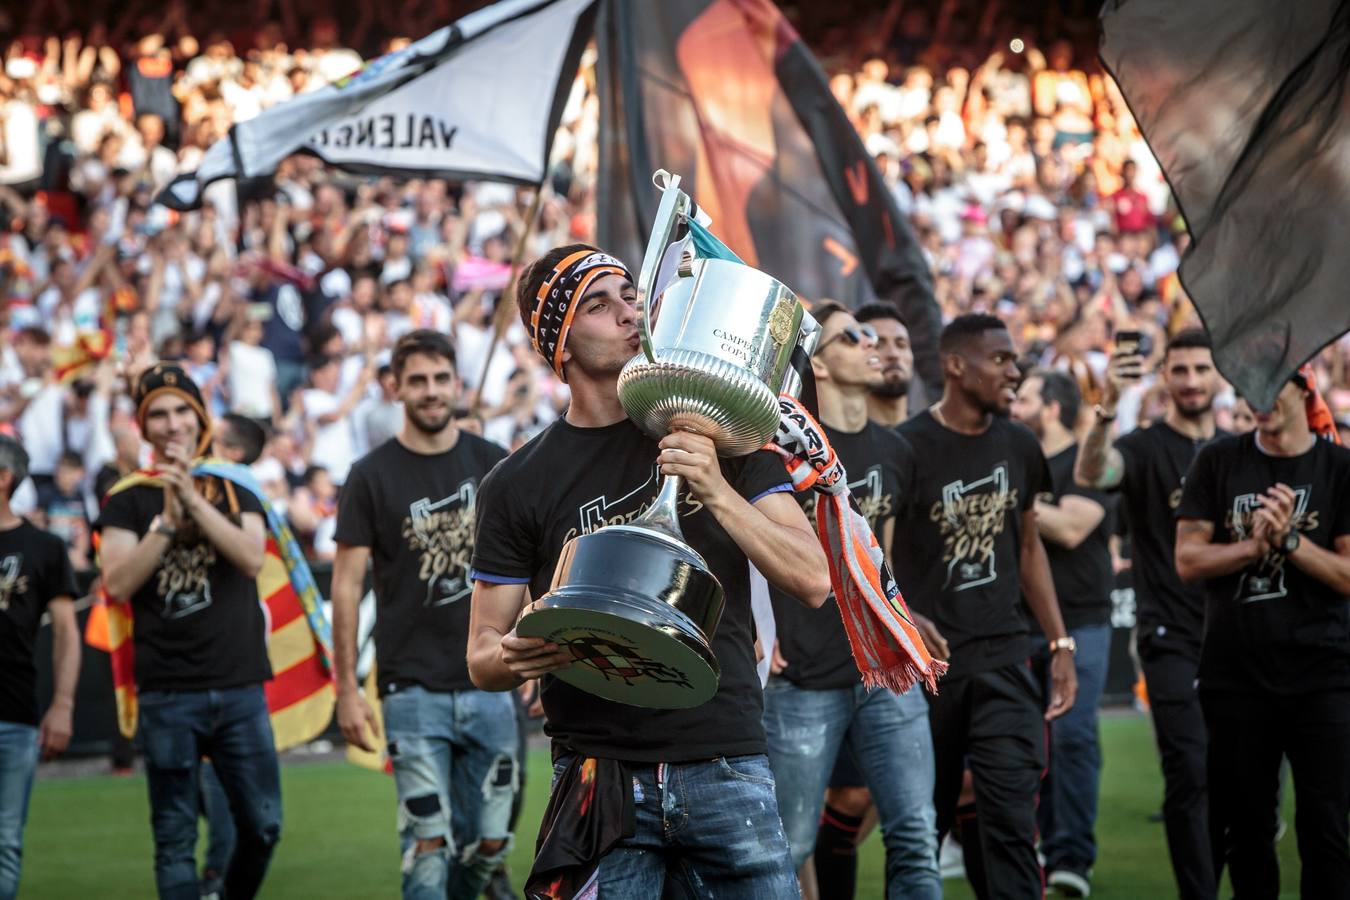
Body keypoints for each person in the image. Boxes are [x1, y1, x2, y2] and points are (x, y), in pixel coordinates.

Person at [467, 243, 830, 896]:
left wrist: (715, 488)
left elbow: (811, 578)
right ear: (561, 345)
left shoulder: (715, 425)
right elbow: (483, 656)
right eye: (599, 306)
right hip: (596, 775)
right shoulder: (515, 483)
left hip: (723, 759)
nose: (629, 313)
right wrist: (528, 646)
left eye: (631, 296)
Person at [892, 313, 1078, 898]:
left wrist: (1060, 641)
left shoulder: (1020, 444)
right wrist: (906, 618)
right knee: (923, 829)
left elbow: (1027, 549)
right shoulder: (907, 447)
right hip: (930, 671)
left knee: (1011, 825)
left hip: (1004, 659)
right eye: (999, 359)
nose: (1014, 371)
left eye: (1013, 360)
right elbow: (878, 557)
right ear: (955, 366)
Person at [764, 302, 941, 899]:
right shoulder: (782, 446)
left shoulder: (895, 451)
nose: (873, 345)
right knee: (787, 846)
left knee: (916, 835)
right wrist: (762, 625)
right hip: (804, 678)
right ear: (818, 360)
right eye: (853, 337)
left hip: (884, 673)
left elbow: (879, 557)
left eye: (874, 336)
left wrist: (904, 618)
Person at [332, 330, 517, 900]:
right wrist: (345, 688)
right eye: (417, 380)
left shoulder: (493, 463)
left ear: (457, 384)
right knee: (427, 844)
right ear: (394, 388)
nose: (432, 391)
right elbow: (345, 587)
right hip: (410, 688)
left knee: (492, 843)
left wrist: (530, 654)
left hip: (489, 682)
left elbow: (528, 569)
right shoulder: (370, 475)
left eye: (441, 378)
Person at [95, 364, 281, 900]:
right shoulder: (127, 497)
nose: (172, 423)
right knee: (175, 840)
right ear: (143, 424)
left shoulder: (233, 484)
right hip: (168, 691)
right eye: (158, 414)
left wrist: (194, 499)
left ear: (199, 417)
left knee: (263, 827)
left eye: (182, 411)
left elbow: (250, 558)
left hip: (240, 684)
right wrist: (167, 521)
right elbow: (118, 583)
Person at [1175, 370, 1350, 899]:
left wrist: (1290, 541)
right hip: (1236, 677)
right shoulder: (1217, 460)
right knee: (1246, 832)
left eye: (1273, 385)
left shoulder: (1339, 466)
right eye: (1250, 386)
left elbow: (1347, 574)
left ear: (1304, 390)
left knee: (1327, 829)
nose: (1260, 399)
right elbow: (1187, 559)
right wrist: (1252, 548)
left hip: (1324, 673)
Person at [1074, 328, 1226, 900]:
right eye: (1180, 370)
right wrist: (1108, 403)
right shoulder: (1142, 445)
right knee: (1190, 771)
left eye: (1201, 369)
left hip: (1238, 640)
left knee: (1235, 781)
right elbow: (1093, 474)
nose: (1190, 381)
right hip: (1169, 636)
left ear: (1219, 376)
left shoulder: (1237, 449)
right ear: (1165, 378)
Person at [1012, 369, 1115, 897]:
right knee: (1030, 746)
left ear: (1051, 408)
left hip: (1083, 622)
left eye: (1024, 396)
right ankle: (1040, 849)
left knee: (1072, 737)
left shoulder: (1086, 464)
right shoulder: (1017, 461)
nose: (1013, 402)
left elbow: (1073, 528)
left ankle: (1072, 857)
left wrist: (1015, 499)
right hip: (1019, 624)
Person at [0, 435, 80, 900]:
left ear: (5, 479)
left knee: (5, 842)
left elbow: (67, 632)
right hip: (15, 717)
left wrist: (64, 705)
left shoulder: (44, 547)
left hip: (13, 713)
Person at [855, 301, 915, 428]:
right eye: (878, 345)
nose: (893, 354)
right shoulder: (831, 443)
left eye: (901, 344)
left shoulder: (934, 440)